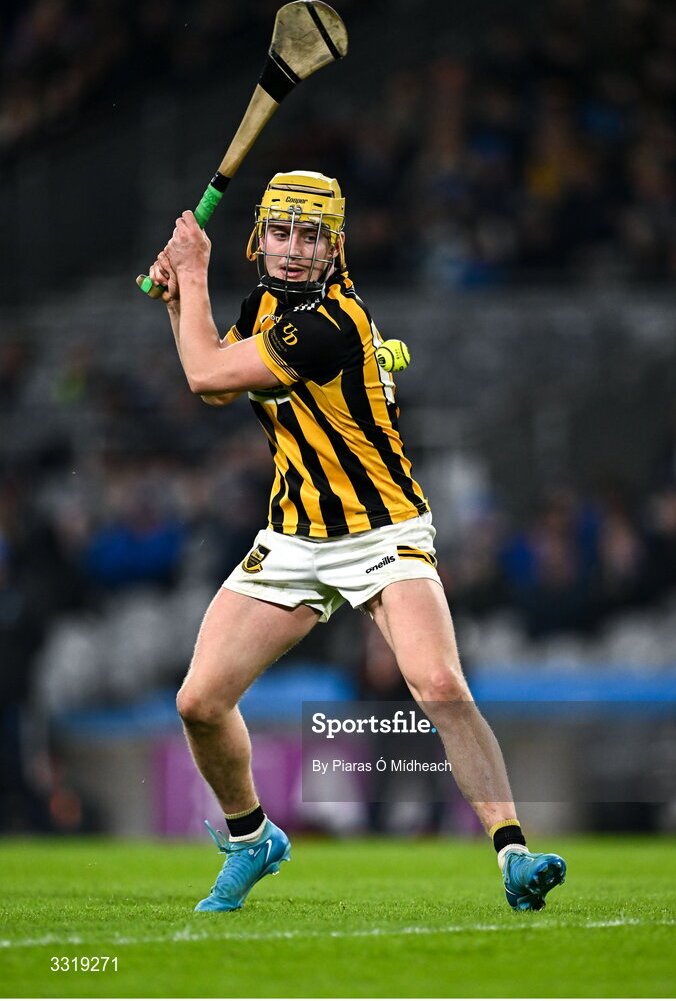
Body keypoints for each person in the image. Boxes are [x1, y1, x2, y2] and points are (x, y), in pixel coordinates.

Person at [148, 170, 566, 912]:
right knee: (199, 703)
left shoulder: (327, 324)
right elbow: (216, 384)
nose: (293, 249)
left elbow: (203, 372)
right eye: (281, 231)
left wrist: (191, 268)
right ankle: (252, 840)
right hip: (294, 533)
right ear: (261, 237)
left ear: (334, 246)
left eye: (311, 235)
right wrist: (183, 295)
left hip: (382, 530)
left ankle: (512, 856)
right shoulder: (266, 306)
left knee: (437, 684)